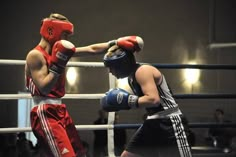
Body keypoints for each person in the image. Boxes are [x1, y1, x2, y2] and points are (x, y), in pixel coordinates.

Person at [25, 13, 135, 157]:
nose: (67, 39)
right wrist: (58, 65)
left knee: (79, 153)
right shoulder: (35, 55)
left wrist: (116, 43)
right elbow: (44, 88)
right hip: (44, 112)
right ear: (51, 31)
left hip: (59, 110)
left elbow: (91, 49)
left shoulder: (58, 51)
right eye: (65, 34)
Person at [100, 36, 192, 157]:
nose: (110, 71)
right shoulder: (131, 77)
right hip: (152, 122)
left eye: (111, 67)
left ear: (122, 64)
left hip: (169, 121)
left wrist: (127, 101)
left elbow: (153, 99)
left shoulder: (143, 71)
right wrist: (125, 103)